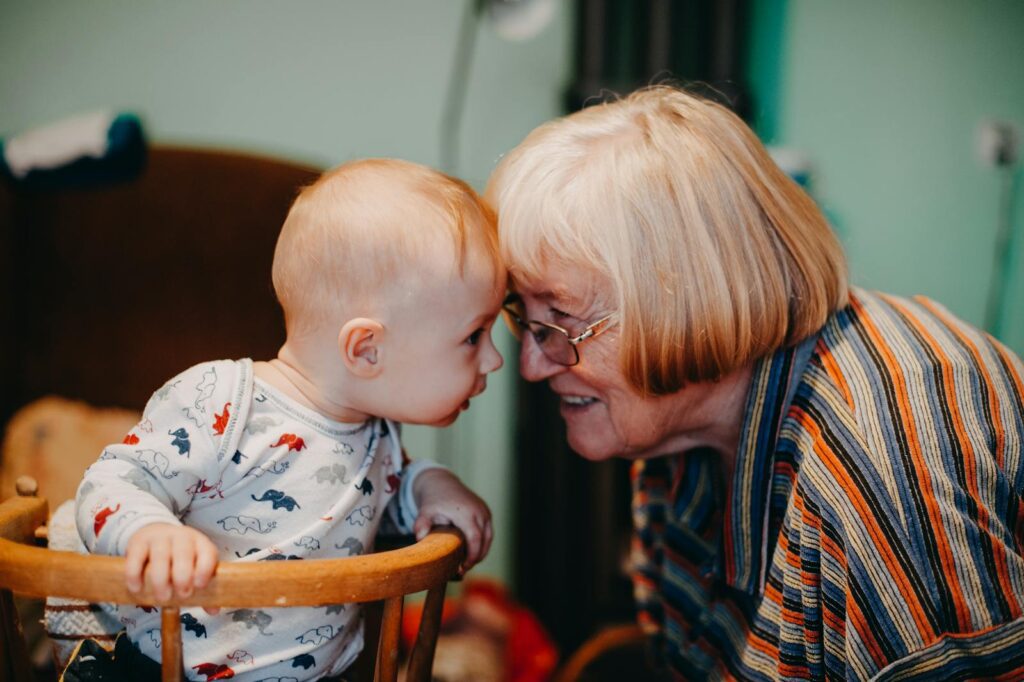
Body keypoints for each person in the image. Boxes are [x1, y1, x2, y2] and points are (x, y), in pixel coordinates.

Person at [487, 86, 1024, 680]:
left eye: (561, 322)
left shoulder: (879, 466)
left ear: (685, 305)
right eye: (525, 319)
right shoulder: (673, 429)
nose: (532, 366)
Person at [73, 158, 503, 681]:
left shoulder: (378, 431)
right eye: (474, 336)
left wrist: (431, 486)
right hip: (173, 670)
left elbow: (380, 503)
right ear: (367, 349)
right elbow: (112, 479)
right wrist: (148, 530)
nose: (495, 360)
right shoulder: (225, 404)